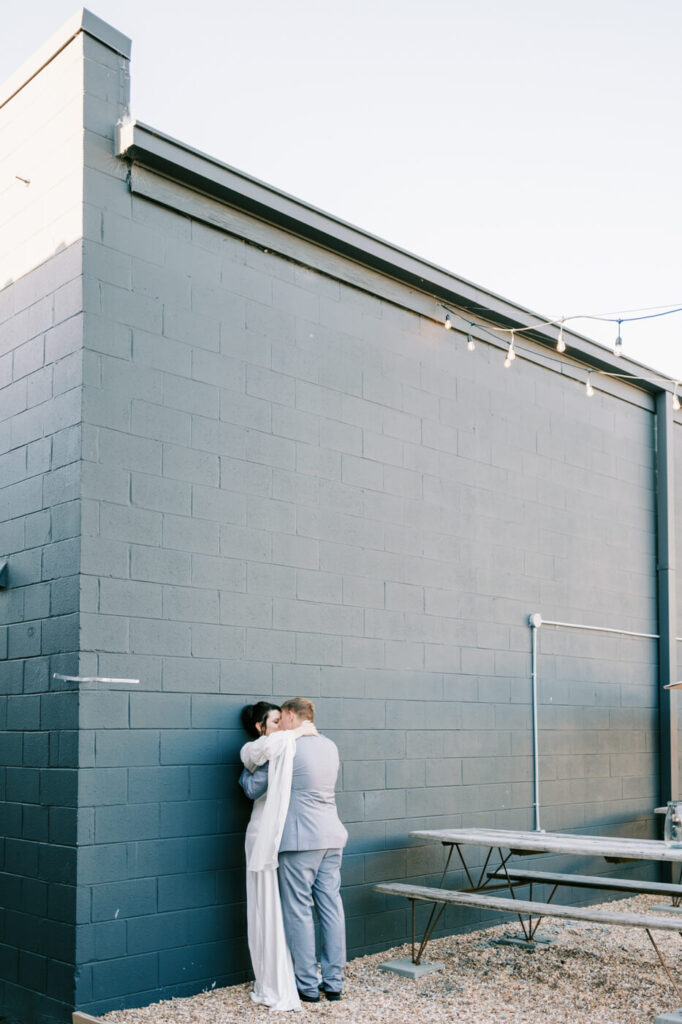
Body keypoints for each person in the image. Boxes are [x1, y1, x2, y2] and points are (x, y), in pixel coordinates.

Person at [243, 697, 348, 1004]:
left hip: (300, 840)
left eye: (282, 719)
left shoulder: (288, 747)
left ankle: (306, 985)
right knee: (331, 907)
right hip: (332, 836)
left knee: (299, 910)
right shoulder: (330, 745)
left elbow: (252, 788)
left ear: (290, 715)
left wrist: (245, 772)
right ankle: (334, 983)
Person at [239, 701, 317, 1011]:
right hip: (262, 835)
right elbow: (251, 784)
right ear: (261, 728)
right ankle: (273, 974)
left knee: (278, 907)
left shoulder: (283, 746)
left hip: (279, 838)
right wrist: (297, 732)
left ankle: (285, 969)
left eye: (281, 721)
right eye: (273, 722)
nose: (280, 727)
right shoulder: (263, 748)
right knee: (265, 905)